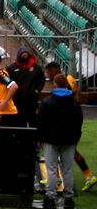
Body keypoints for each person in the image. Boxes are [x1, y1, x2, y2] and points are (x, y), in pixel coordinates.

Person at [45, 62, 97, 192]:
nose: (47, 75)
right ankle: (88, 176)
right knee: (71, 150)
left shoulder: (64, 82)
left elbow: (69, 100)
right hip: (72, 120)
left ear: (54, 70)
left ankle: (58, 178)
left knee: (61, 149)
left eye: (48, 72)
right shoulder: (68, 78)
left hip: (67, 122)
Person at [38, 74, 83, 209]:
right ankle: (69, 198)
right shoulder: (74, 103)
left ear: (54, 84)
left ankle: (50, 197)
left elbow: (41, 122)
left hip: (51, 140)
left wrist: (40, 138)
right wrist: (75, 139)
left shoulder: (47, 102)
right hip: (69, 141)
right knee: (67, 170)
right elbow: (78, 123)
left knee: (51, 169)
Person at [6, 46, 45, 128]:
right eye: (23, 56)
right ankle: (20, 139)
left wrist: (37, 90)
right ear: (19, 56)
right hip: (17, 99)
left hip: (31, 99)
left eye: (26, 56)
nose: (25, 58)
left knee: (32, 120)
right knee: (19, 121)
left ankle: (33, 139)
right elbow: (8, 82)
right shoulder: (12, 68)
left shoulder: (36, 67)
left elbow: (41, 80)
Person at [0, 53, 24, 127]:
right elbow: (4, 91)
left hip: (7, 113)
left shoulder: (1, 73)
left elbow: (14, 86)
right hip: (5, 112)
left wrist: (5, 102)